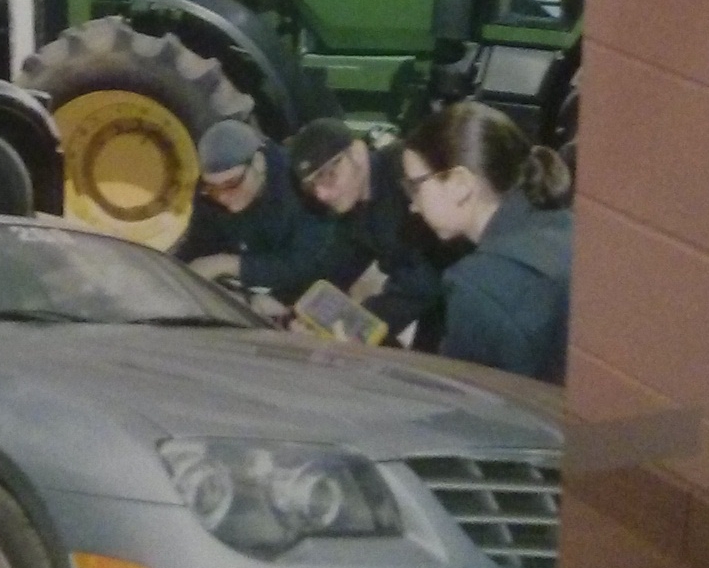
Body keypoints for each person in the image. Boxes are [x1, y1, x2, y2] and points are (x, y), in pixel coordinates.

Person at [397, 100, 573, 386]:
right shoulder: (566, 224)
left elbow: (463, 404)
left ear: (460, 184)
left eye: (415, 186)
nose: (413, 206)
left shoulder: (479, 286)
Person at [286, 115, 442, 341]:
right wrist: (297, 308)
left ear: (358, 153)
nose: (322, 194)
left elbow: (421, 282)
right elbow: (340, 261)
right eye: (312, 186)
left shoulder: (404, 175)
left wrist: (355, 328)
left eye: (328, 175)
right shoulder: (354, 200)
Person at [174, 114, 348, 310]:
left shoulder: (302, 185)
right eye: (212, 188)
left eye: (232, 184)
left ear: (257, 161)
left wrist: (226, 264)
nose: (222, 197)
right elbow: (199, 243)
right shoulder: (208, 196)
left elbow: (307, 262)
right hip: (252, 292)